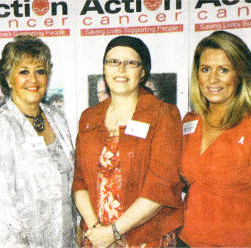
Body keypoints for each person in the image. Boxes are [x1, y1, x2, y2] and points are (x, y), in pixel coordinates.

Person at [73, 35, 183, 247]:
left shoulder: (163, 115)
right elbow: (79, 181)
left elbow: (161, 186)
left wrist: (113, 232)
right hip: (96, 238)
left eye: (131, 63)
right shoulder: (89, 117)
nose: (121, 69)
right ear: (104, 69)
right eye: (113, 61)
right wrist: (97, 231)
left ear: (142, 73)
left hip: (145, 237)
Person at [179, 30, 251, 247]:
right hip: (185, 242)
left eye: (223, 70)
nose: (212, 79)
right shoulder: (190, 121)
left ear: (240, 75)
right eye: (205, 69)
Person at [0, 35, 76, 247]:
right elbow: (0, 216)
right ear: (9, 79)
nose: (33, 79)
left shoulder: (57, 118)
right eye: (23, 72)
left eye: (40, 71)